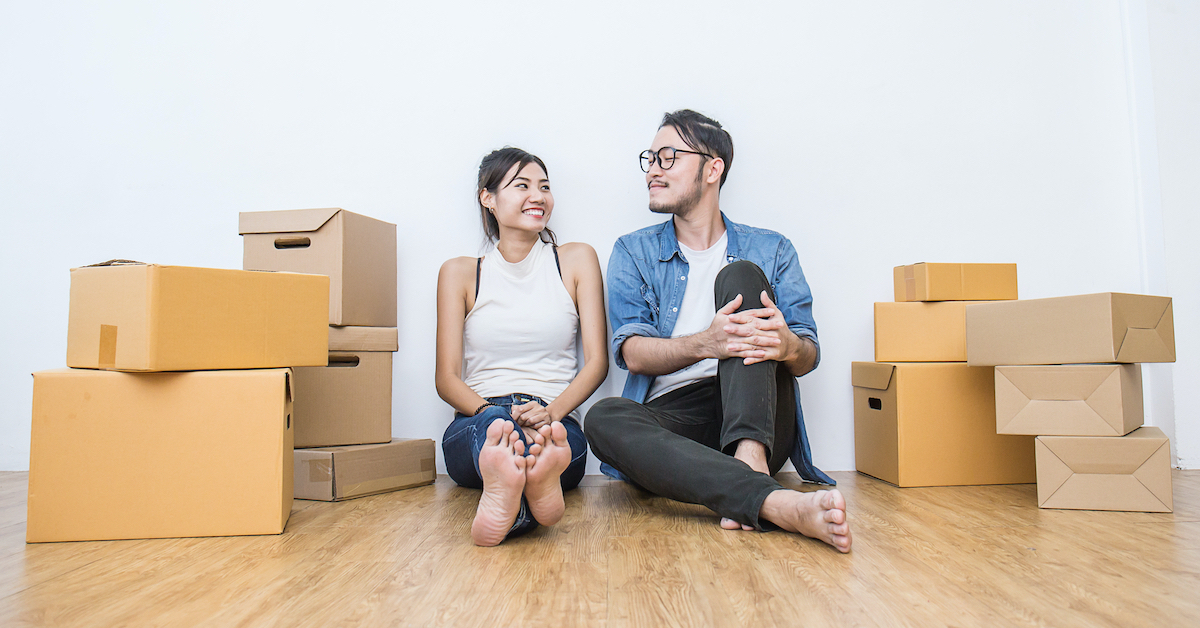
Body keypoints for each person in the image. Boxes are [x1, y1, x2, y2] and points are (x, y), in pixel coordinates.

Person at [584, 110, 852, 553]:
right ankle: (767, 498)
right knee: (603, 418)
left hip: (760, 412)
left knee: (742, 276)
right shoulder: (633, 251)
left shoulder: (772, 248)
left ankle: (749, 459)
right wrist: (706, 343)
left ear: (713, 168)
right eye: (650, 158)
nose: (653, 168)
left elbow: (808, 355)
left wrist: (786, 345)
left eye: (668, 157)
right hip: (676, 422)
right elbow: (632, 353)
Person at [435, 147, 608, 546]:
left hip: (556, 421)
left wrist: (550, 414)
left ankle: (512, 497)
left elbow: (597, 362)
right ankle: (534, 487)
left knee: (545, 445)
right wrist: (497, 412)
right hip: (478, 417)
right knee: (498, 433)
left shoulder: (576, 260)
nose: (538, 196)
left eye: (544, 187)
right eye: (522, 186)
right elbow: (446, 379)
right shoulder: (460, 273)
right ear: (488, 198)